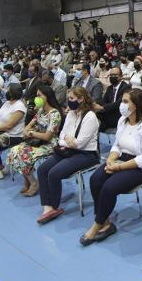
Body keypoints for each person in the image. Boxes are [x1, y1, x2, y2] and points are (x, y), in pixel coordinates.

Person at [80, 88, 142, 245]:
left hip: (141, 166)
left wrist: (118, 168)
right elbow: (117, 146)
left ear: (137, 105)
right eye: (122, 101)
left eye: (126, 102)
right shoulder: (122, 121)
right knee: (95, 179)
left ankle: (97, 225)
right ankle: (105, 222)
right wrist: (111, 160)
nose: (122, 105)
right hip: (122, 160)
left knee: (109, 187)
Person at [36, 87, 100, 224]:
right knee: (42, 170)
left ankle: (54, 206)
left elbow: (80, 144)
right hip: (68, 150)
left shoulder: (90, 117)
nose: (68, 101)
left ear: (81, 99)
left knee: (54, 173)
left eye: (71, 98)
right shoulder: (71, 113)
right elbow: (61, 136)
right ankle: (46, 206)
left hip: (86, 155)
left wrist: (69, 140)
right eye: (68, 98)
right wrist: (68, 139)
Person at [6, 85, 62, 196]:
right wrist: (27, 130)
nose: (37, 98)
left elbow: (47, 137)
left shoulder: (55, 114)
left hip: (49, 144)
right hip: (37, 141)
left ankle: (34, 183)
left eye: (39, 95)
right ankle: (27, 180)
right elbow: (29, 125)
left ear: (47, 97)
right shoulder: (41, 111)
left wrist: (31, 133)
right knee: (14, 151)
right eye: (36, 96)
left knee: (22, 154)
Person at [93, 66, 128, 132]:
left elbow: (118, 104)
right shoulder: (110, 88)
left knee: (103, 119)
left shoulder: (126, 88)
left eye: (115, 75)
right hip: (109, 111)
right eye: (111, 75)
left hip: (119, 113)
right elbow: (104, 101)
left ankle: (99, 135)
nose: (112, 77)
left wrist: (102, 108)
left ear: (120, 76)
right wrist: (95, 104)